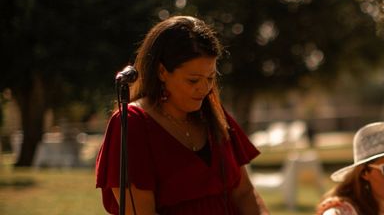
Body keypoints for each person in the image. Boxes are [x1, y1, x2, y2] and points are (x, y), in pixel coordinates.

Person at [96, 15, 269, 215]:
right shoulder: (132, 123)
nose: (204, 89)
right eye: (193, 80)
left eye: (210, 78)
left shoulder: (213, 112)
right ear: (162, 71)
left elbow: (245, 194)